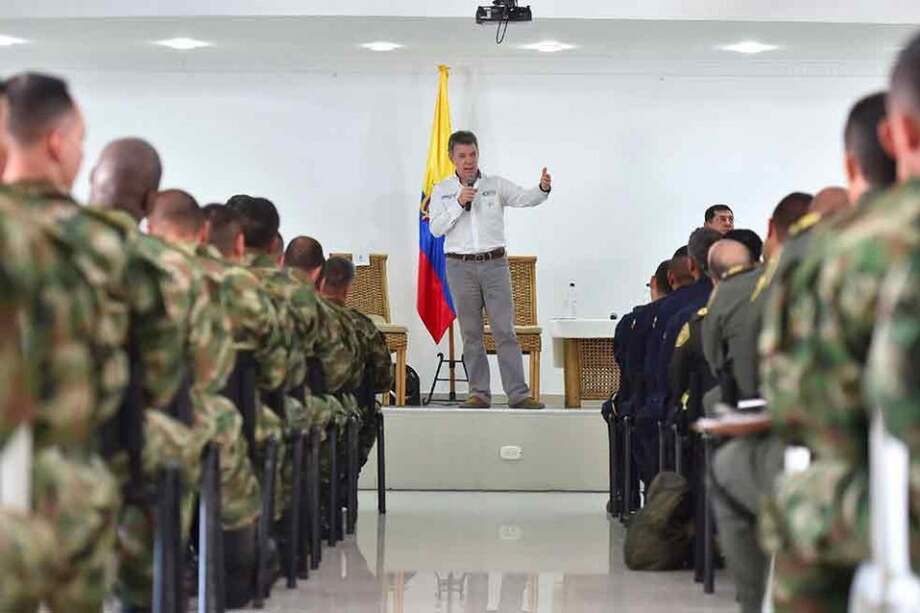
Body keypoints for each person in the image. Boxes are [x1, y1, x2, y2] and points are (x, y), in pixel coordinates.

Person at [759, 42, 918, 610]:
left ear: (898, 134)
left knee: (805, 502)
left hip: (905, 523)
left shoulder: (841, 250)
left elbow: (808, 418)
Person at [699, 193, 810, 613]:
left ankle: (755, 598)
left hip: (815, 449)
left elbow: (721, 366)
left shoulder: (741, 292)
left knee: (726, 467)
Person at [428, 130, 551, 409]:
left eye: (472, 154)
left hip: (495, 265)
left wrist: (542, 188)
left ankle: (518, 394)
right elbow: (435, 229)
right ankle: (479, 394)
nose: (468, 161)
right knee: (471, 334)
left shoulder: (494, 185)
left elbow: (524, 197)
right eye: (462, 156)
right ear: (451, 158)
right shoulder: (442, 190)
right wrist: (458, 203)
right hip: (459, 267)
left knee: (504, 330)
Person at [318, 256, 393, 467]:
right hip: (349, 435)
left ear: (319, 281)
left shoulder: (298, 320)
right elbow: (383, 381)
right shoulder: (363, 327)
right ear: (349, 287)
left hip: (300, 434)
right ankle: (346, 481)